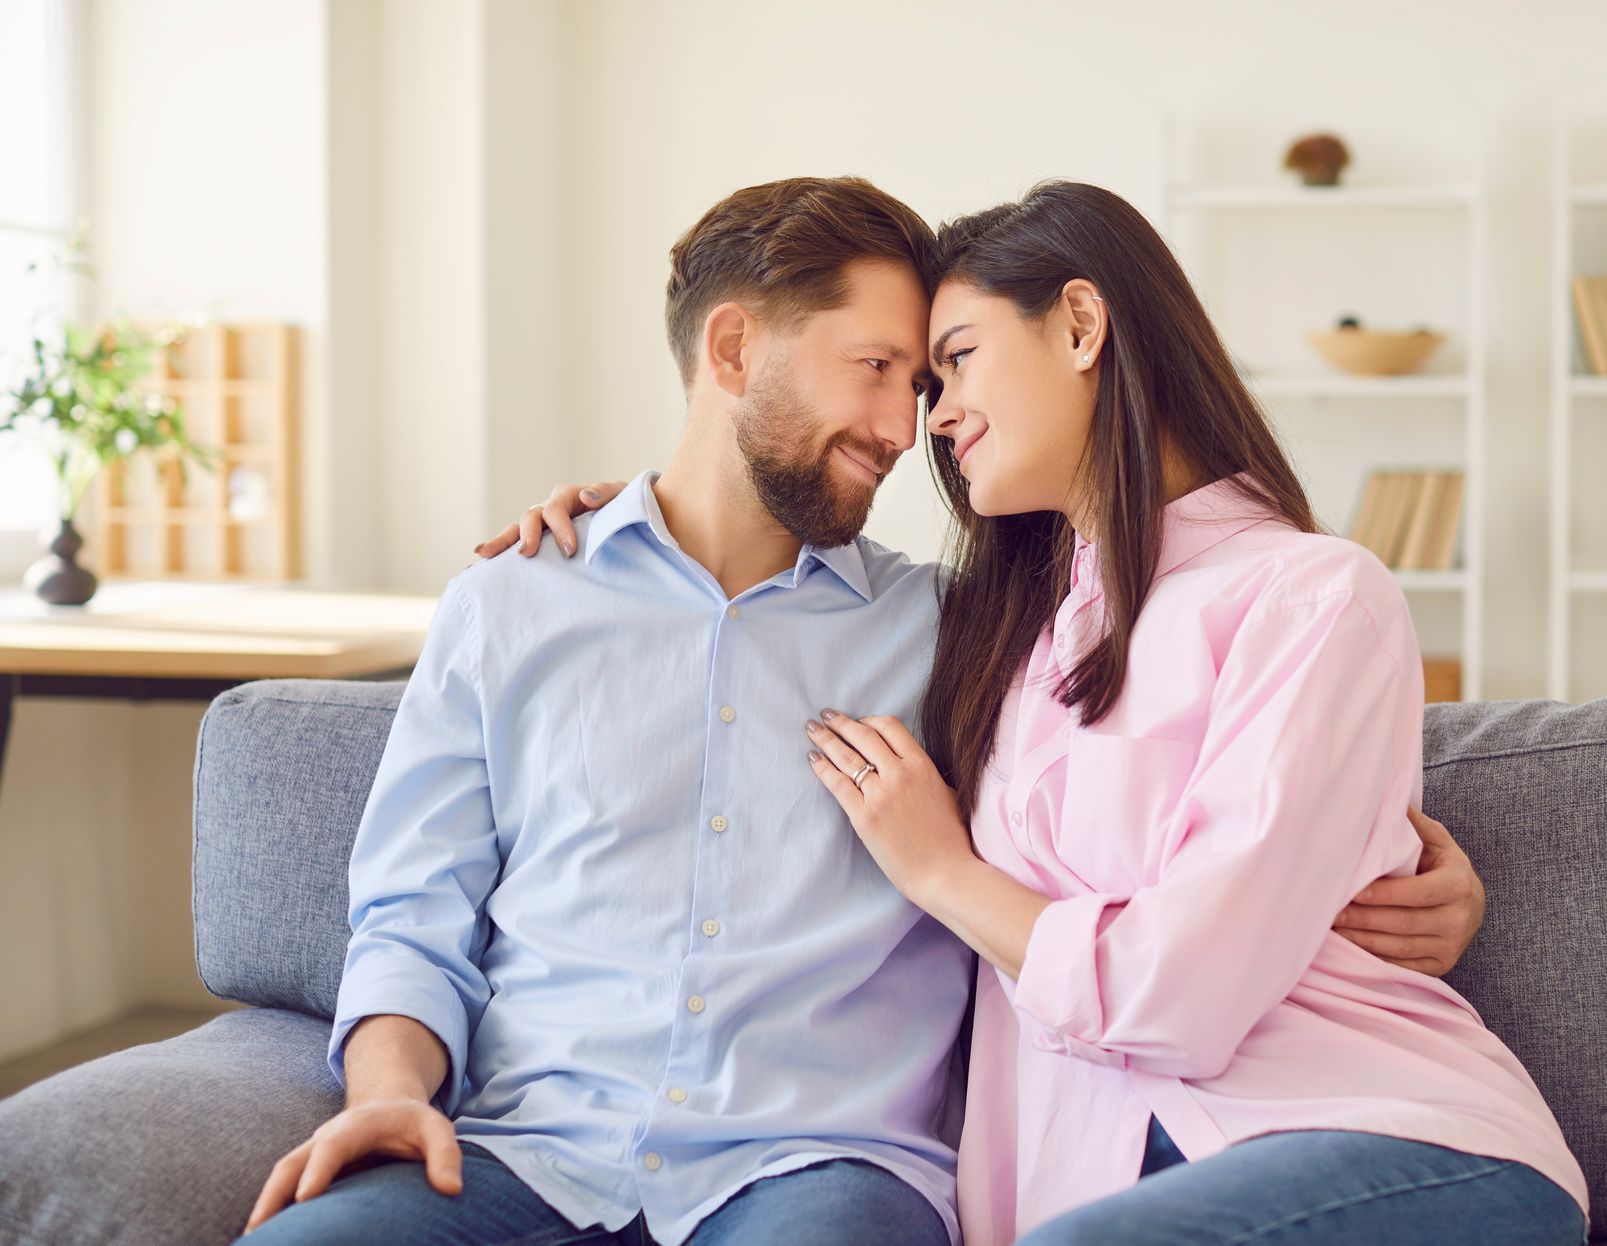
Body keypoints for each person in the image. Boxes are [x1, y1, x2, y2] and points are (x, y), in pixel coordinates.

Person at [262, 175, 1484, 1246]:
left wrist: (1403, 859)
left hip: (819, 1169)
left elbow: (1197, 815)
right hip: (531, 1150)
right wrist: (390, 1090)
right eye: (881, 369)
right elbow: (411, 912)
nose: (911, 428)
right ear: (732, 351)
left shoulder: (968, 632)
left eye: (935, 373)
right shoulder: (517, 601)